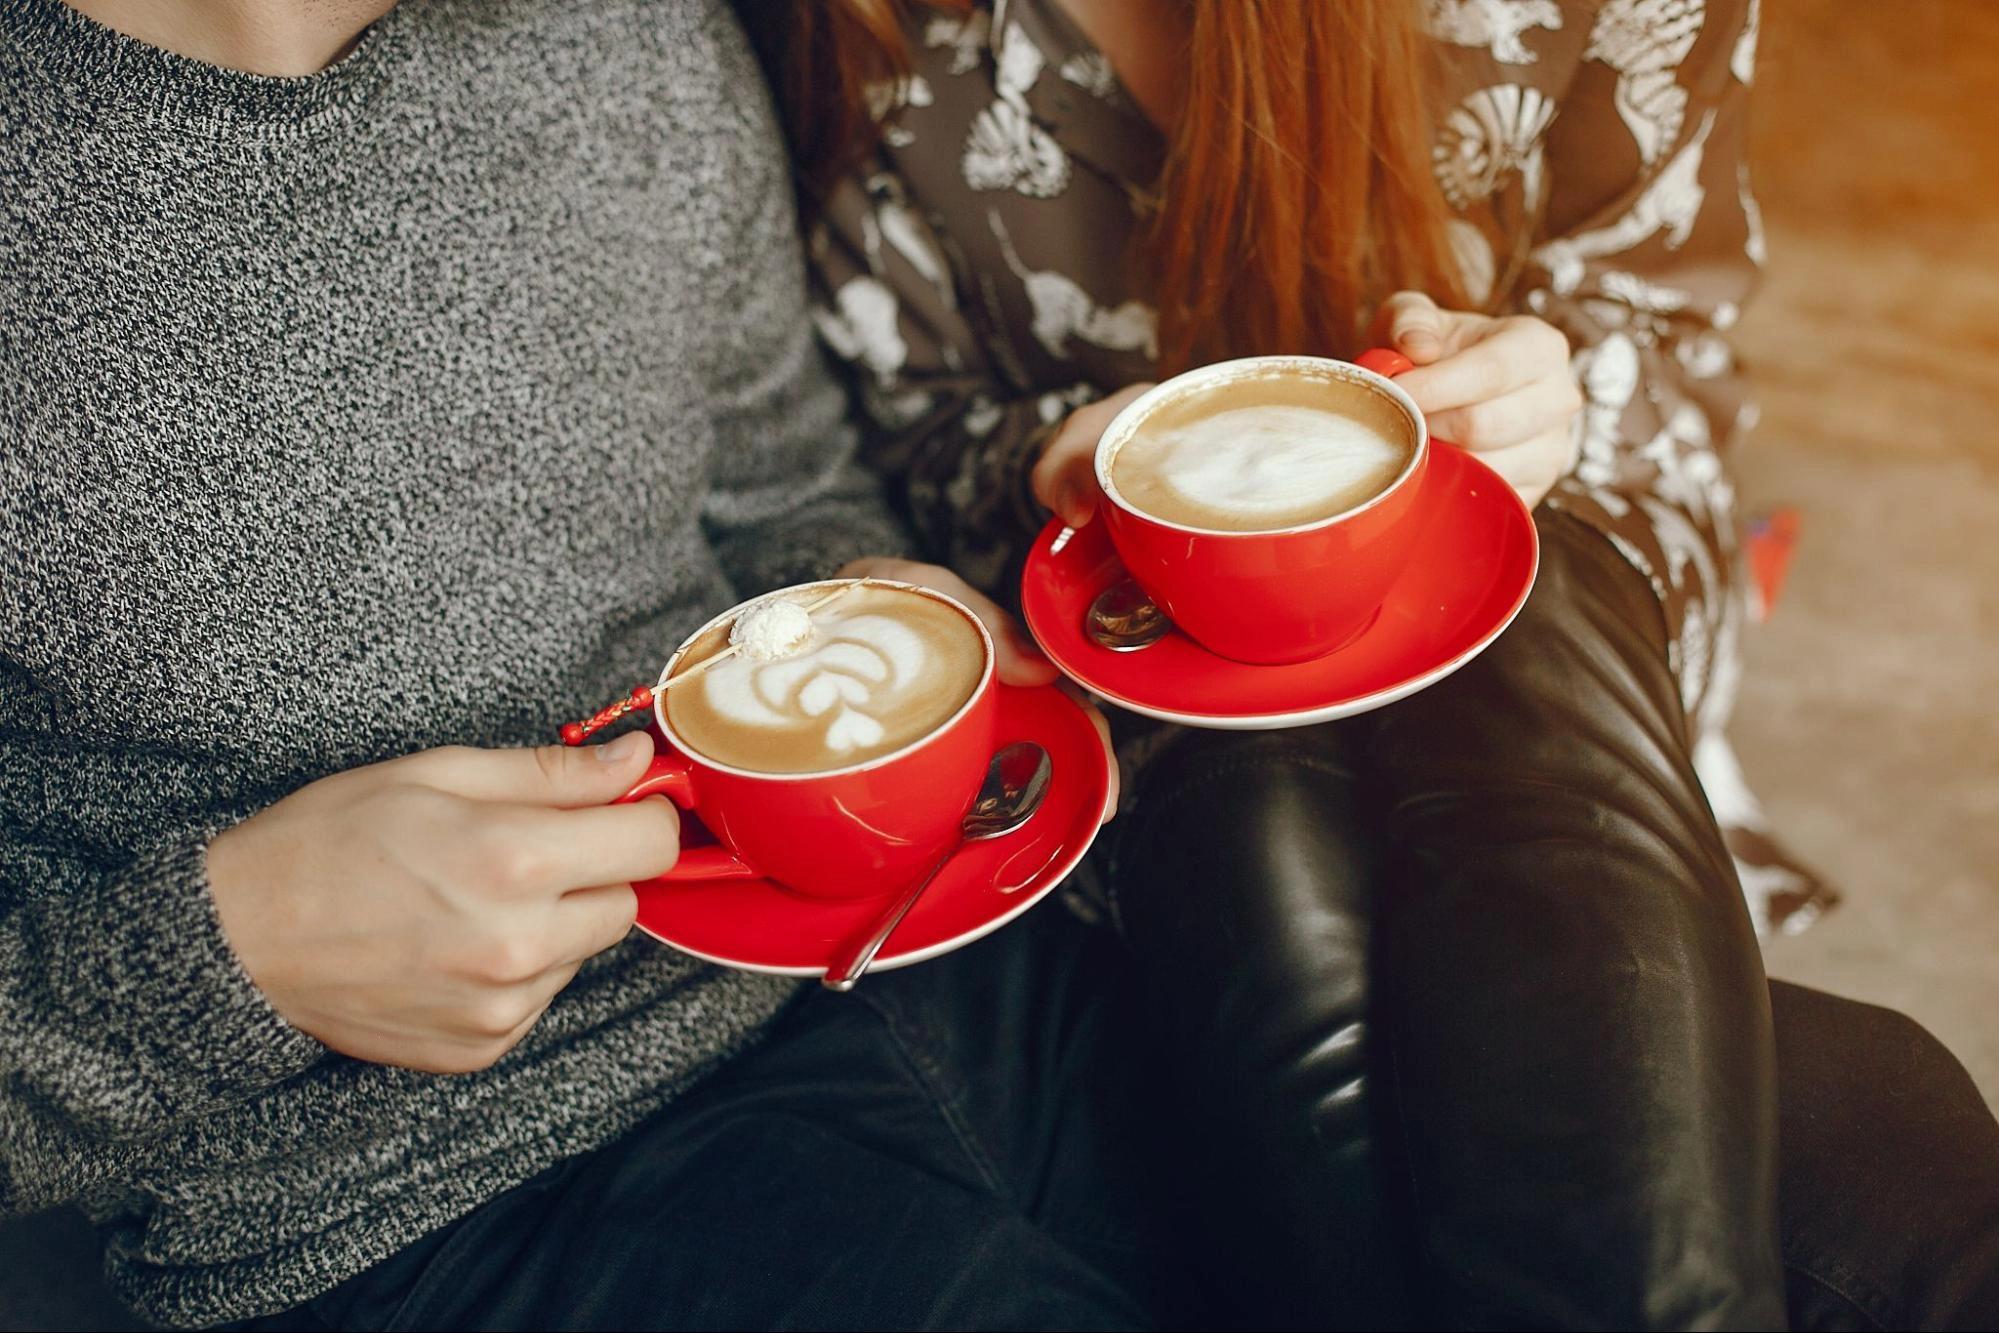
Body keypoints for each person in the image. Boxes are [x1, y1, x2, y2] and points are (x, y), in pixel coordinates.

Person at [749, 0, 1999, 1326]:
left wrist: (1559, 395)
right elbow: (891, 429)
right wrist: (1049, 471)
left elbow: (1664, 331)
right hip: (1133, 636)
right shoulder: (849, 26)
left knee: (1516, 616)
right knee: (1258, 838)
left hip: (1576, 557)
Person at [0, 1, 1189, 1329]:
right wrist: (231, 958)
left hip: (915, 950)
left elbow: (783, 485)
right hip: (425, 1199)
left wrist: (852, 589)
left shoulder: (635, 31)